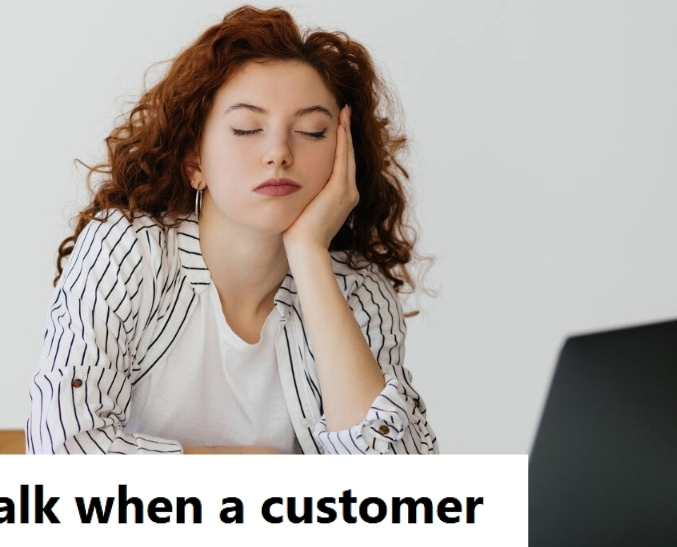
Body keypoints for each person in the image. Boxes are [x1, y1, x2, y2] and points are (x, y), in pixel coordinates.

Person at [26, 5, 438, 455]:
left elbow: (400, 501)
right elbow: (62, 455)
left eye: (313, 131)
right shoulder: (128, 251)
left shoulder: (360, 294)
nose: (278, 152)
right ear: (194, 161)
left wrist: (309, 254)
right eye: (246, 129)